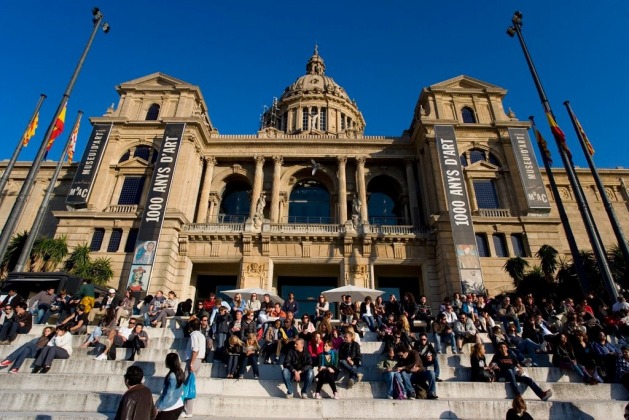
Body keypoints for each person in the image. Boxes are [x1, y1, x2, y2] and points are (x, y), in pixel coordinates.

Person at [182, 318, 204, 417]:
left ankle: (188, 411)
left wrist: (191, 363)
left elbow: (195, 349)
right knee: (189, 383)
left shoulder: (194, 335)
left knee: (188, 384)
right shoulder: (202, 335)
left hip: (193, 360)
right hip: (198, 360)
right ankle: (187, 409)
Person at [155, 353, 185, 420]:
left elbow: (169, 394)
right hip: (178, 404)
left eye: (166, 360)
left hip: (170, 406)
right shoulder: (180, 372)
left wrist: (159, 407)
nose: (165, 361)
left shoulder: (172, 375)